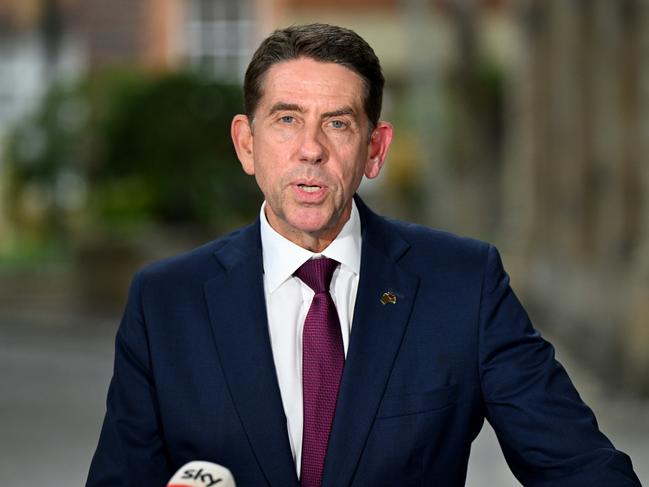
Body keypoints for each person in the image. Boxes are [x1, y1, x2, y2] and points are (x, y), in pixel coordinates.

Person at [86, 23, 640, 487]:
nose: (311, 148)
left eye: (337, 123)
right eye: (286, 119)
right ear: (246, 144)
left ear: (374, 150)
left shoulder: (463, 286)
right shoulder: (166, 303)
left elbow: (582, 470)